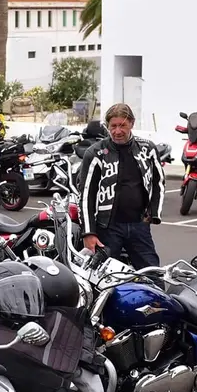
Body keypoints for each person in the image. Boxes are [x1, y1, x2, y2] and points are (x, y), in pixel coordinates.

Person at [78, 103, 165, 270]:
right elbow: (86, 195)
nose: (117, 131)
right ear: (107, 126)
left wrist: (154, 213)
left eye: (122, 125)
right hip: (107, 228)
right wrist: (89, 232)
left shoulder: (148, 149)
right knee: (103, 277)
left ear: (132, 123)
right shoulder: (95, 153)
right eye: (113, 126)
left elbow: (158, 181)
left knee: (152, 274)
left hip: (139, 225)